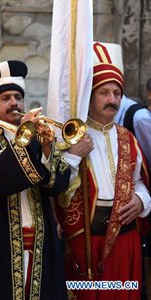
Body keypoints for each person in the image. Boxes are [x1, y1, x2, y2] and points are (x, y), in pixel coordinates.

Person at [0, 60, 70, 300]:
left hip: (41, 244)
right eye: (6, 98)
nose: (15, 103)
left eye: (18, 97)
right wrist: (22, 139)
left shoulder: (36, 138)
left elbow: (59, 186)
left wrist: (45, 148)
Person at [57, 42, 151, 300]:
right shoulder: (71, 136)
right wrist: (74, 157)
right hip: (86, 242)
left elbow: (141, 181)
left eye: (117, 93)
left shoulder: (127, 137)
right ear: (90, 95)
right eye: (104, 93)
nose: (113, 100)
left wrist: (141, 200)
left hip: (125, 240)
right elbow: (57, 191)